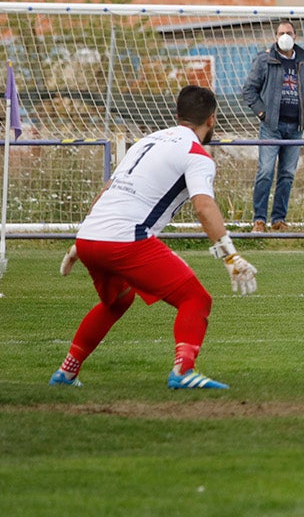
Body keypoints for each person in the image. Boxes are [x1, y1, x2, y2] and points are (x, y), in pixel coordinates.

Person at [51, 85, 257, 390]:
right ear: (212, 120)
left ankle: (66, 372)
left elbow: (108, 192)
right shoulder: (197, 155)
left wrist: (80, 245)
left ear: (177, 115)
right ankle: (184, 372)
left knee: (117, 301)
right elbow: (204, 206)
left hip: (89, 236)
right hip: (126, 240)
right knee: (195, 299)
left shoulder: (145, 142)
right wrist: (230, 256)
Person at [243, 20, 304, 233]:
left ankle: (278, 220)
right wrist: (262, 112)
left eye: (288, 32)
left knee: (287, 174)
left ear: (295, 36)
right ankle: (259, 219)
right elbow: (249, 90)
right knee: (265, 171)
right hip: (271, 126)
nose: (284, 36)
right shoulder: (265, 60)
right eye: (281, 33)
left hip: (296, 128)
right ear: (276, 37)